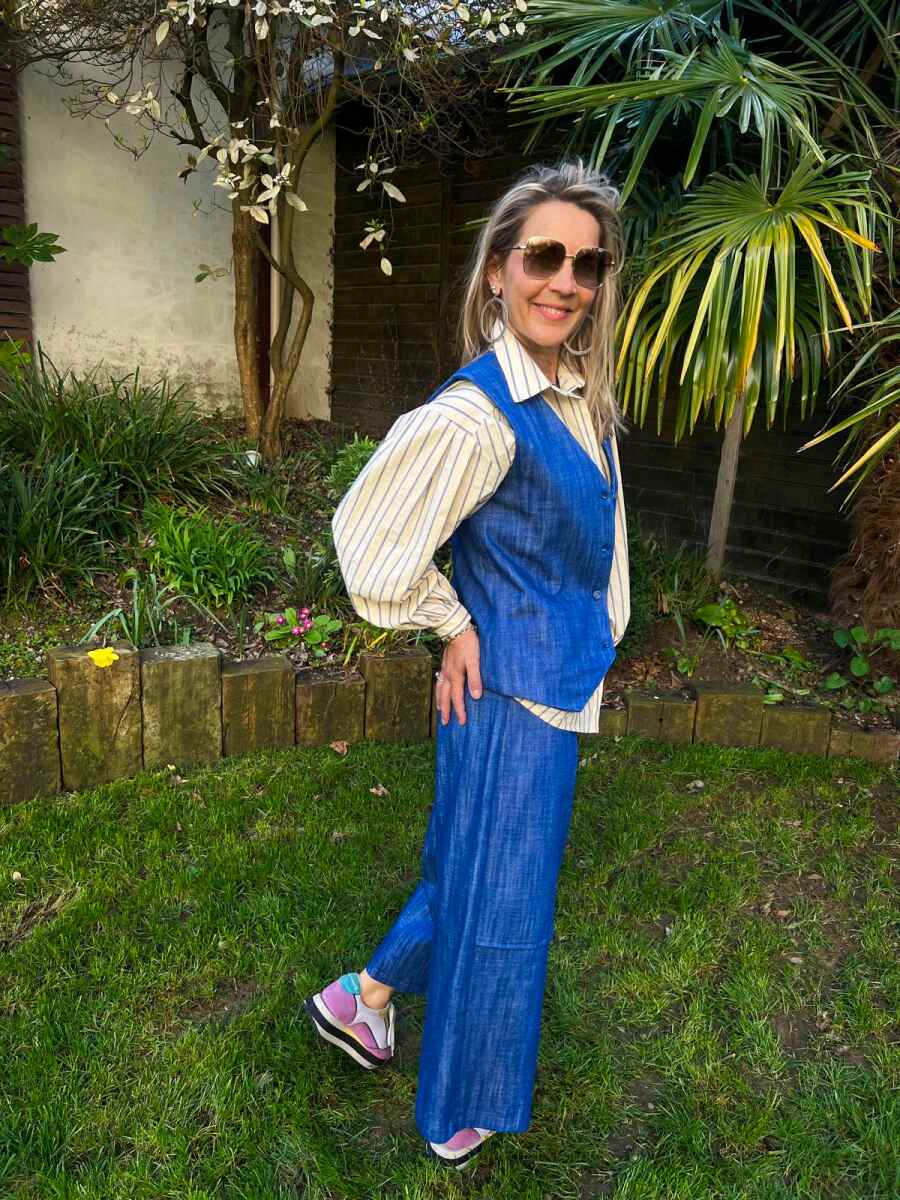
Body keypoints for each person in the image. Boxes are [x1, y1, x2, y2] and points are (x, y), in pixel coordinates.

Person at [304, 159, 631, 1170]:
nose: (565, 280)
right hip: (511, 694)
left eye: (587, 263)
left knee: (470, 867)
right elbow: (370, 549)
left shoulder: (569, 390)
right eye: (544, 256)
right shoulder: (475, 415)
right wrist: (450, 622)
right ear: (498, 269)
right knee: (505, 901)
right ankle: (460, 1104)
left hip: (539, 673)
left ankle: (363, 999)